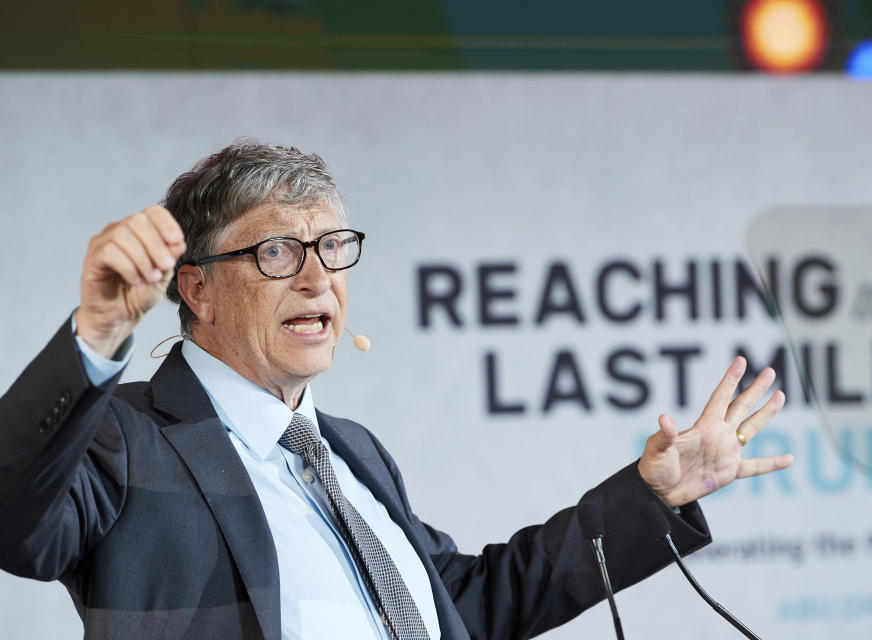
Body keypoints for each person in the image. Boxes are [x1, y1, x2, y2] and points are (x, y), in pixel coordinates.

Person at [0, 142, 792, 640]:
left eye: (334, 248)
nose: (319, 278)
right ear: (197, 291)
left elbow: (465, 609)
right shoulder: (126, 435)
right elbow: (14, 524)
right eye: (278, 251)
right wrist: (96, 336)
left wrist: (648, 497)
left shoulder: (351, 451)